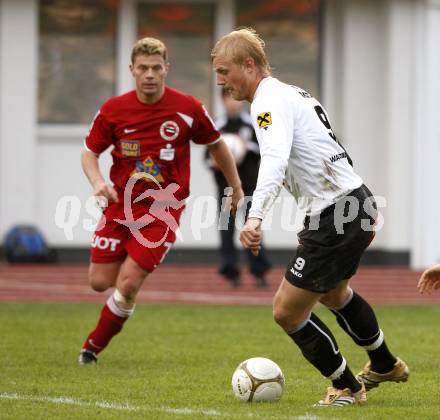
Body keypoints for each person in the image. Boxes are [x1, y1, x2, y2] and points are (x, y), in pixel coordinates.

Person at [211, 28, 409, 407]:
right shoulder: (293, 92)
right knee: (334, 294)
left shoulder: (266, 102)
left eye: (224, 71)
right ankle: (384, 363)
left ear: (248, 65)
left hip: (336, 211)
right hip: (356, 201)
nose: (220, 80)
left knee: (286, 311)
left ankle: (348, 387)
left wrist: (254, 217)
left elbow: (274, 159)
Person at [78, 37, 244, 364]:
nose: (150, 74)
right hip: (119, 206)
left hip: (161, 211)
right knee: (99, 282)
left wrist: (236, 187)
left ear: (167, 69)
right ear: (132, 70)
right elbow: (89, 152)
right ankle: (123, 291)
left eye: (157, 68)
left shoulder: (188, 109)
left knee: (128, 281)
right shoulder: (113, 110)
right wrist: (98, 182)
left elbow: (217, 145)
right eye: (143, 68)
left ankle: (91, 348)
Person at [206, 88, 272, 288]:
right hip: (226, 190)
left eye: (236, 98)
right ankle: (231, 271)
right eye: (228, 98)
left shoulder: (255, 121)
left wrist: (246, 147)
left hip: (250, 186)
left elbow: (267, 146)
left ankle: (259, 271)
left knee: (252, 229)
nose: (233, 103)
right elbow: (207, 158)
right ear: (222, 101)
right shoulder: (216, 125)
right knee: (226, 230)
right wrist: (215, 162)